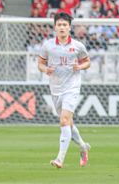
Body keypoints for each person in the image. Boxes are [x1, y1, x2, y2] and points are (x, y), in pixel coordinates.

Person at [37, 12, 91, 169]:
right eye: (59, 25)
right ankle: (83, 147)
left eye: (64, 25)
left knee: (64, 121)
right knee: (69, 123)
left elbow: (87, 62)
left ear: (69, 27)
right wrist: (45, 69)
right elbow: (40, 63)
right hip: (55, 88)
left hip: (72, 87)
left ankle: (60, 159)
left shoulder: (78, 46)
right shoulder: (47, 45)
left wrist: (79, 66)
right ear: (55, 27)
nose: (62, 27)